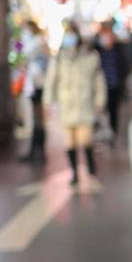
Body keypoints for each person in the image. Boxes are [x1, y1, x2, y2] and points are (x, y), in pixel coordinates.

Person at [45, 22, 106, 185]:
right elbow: (52, 80)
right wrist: (48, 101)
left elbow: (99, 80)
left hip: (85, 103)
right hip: (67, 104)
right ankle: (74, 173)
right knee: (70, 141)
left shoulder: (91, 56)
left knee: (85, 139)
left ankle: (90, 166)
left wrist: (100, 100)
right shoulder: (59, 58)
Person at [95, 23, 131, 143]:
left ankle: (113, 134)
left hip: (115, 85)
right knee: (101, 110)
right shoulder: (97, 50)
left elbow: (125, 66)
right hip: (101, 87)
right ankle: (104, 133)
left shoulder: (119, 49)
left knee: (113, 110)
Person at [20, 20, 50, 162]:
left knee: (38, 119)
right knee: (36, 118)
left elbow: (42, 64)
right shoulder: (34, 42)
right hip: (35, 85)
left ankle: (38, 151)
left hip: (38, 85)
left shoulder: (38, 43)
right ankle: (34, 151)